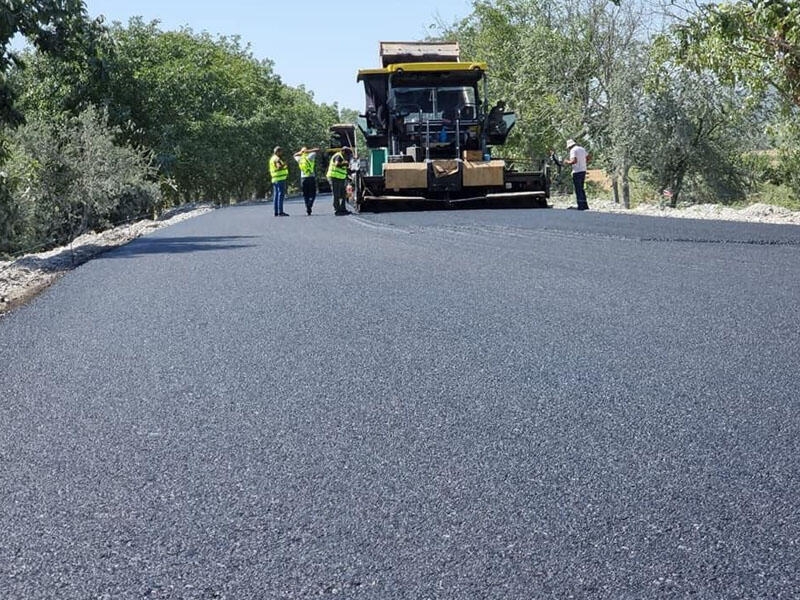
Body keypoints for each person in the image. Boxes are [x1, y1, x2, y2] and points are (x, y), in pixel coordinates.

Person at [563, 138, 589, 210]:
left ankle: (580, 205)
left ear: (569, 146)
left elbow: (574, 161)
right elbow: (588, 157)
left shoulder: (573, 150)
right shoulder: (582, 149)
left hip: (577, 171)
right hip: (583, 170)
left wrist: (567, 162)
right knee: (581, 188)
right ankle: (585, 205)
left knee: (578, 189)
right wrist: (583, 162)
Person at [327, 146, 352, 216]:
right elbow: (337, 164)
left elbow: (344, 169)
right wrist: (345, 163)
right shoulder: (338, 156)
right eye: (347, 154)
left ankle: (343, 209)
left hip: (340, 178)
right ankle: (337, 209)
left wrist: (348, 175)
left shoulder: (343, 157)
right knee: (336, 194)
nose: (347, 156)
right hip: (334, 177)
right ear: (343, 151)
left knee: (343, 194)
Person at [293, 146, 319, 215]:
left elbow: (294, 155)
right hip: (311, 177)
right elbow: (317, 149)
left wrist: (300, 152)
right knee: (312, 193)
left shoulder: (299, 158)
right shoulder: (310, 156)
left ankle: (307, 206)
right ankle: (310, 203)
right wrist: (309, 151)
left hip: (303, 178)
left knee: (305, 194)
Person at [269, 146, 289, 216]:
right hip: (280, 178)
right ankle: (280, 211)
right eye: (280, 151)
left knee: (276, 195)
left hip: (275, 179)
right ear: (277, 152)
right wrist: (284, 165)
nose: (281, 153)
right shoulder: (277, 159)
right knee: (281, 195)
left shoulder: (272, 159)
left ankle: (276, 211)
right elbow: (278, 167)